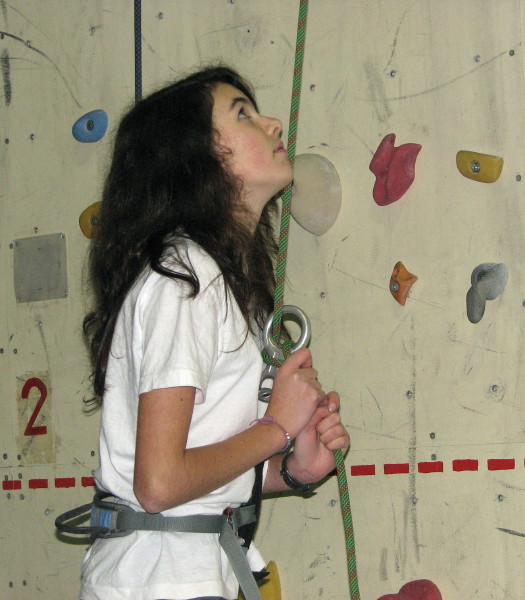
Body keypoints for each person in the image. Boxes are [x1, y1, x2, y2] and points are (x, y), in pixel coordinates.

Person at [79, 65, 350, 600]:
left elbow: (200, 471)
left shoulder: (218, 280)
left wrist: (293, 470)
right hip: (160, 581)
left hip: (186, 573)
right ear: (195, 159)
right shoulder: (185, 278)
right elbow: (159, 484)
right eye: (242, 114)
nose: (272, 124)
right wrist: (278, 427)